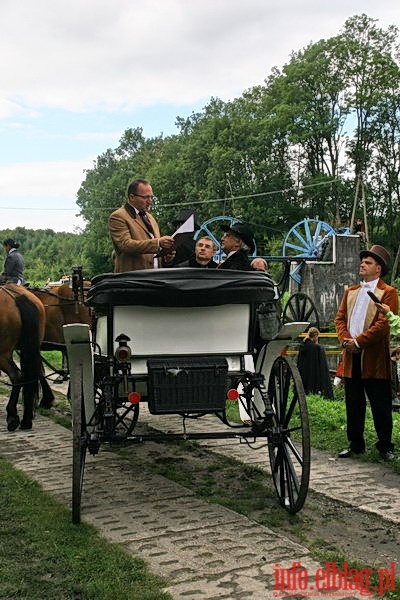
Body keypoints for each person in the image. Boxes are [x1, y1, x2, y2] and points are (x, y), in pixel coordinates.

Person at [335, 244, 398, 461]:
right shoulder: (351, 291)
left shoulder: (388, 292)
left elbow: (383, 325)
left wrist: (359, 342)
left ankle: (385, 446)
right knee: (353, 403)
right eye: (362, 261)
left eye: (368, 262)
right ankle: (355, 444)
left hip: (374, 357)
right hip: (351, 355)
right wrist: (345, 340)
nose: (362, 263)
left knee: (380, 404)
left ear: (378, 268)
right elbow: (339, 319)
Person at [109, 179, 174, 272]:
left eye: (151, 197)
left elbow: (152, 252)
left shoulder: (151, 218)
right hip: (133, 279)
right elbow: (125, 245)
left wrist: (165, 256)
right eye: (145, 197)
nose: (150, 201)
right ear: (132, 197)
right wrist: (158, 243)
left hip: (156, 278)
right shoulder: (118, 216)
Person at [297, 327, 334, 399]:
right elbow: (323, 367)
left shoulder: (302, 346)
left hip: (304, 376)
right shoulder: (317, 348)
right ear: (316, 336)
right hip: (314, 377)